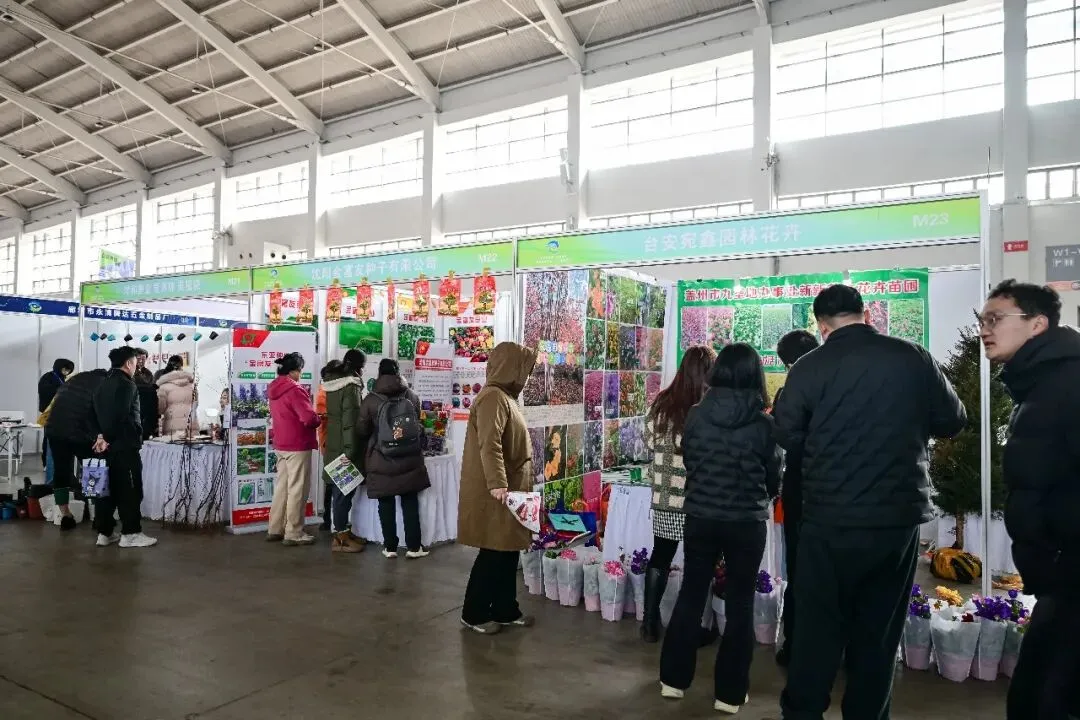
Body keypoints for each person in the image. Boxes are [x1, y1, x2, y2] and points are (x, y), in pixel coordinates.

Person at [773, 284, 966, 720]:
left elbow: (786, 434)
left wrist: (828, 444)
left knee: (817, 629)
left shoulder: (809, 367)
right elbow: (952, 419)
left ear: (822, 326)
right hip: (895, 520)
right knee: (879, 632)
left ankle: (802, 711)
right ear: (866, 313)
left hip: (828, 517)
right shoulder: (912, 357)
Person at [976, 280, 1080, 719]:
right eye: (982, 320)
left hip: (1071, 571)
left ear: (1037, 324)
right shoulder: (1041, 382)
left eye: (995, 319)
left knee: (1047, 698)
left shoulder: (1068, 383)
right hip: (1061, 575)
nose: (984, 329)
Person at [659, 343, 780, 715]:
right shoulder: (764, 424)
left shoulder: (696, 415)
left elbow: (691, 462)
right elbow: (773, 477)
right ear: (755, 375)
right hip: (746, 523)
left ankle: (673, 681)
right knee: (740, 604)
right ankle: (729, 694)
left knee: (691, 593)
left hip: (701, 517)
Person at [458, 342, 537, 634]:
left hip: (510, 490)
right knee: (493, 552)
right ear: (511, 367)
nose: (526, 375)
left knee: (507, 550)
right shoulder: (493, 397)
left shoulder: (504, 397)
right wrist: (497, 483)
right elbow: (489, 444)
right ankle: (474, 613)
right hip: (499, 492)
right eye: (523, 368)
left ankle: (505, 609)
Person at [640, 345, 716, 643]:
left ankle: (649, 624)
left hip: (664, 496)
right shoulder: (708, 406)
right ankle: (689, 628)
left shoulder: (662, 402)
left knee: (660, 555)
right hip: (697, 498)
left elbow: (648, 440)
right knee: (698, 563)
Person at [772, 329, 820, 669]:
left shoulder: (792, 391)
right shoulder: (839, 386)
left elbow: (782, 436)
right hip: (838, 490)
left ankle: (795, 645)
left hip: (801, 488)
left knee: (800, 570)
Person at [357, 358, 430, 559]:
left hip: (381, 457)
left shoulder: (370, 399)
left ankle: (390, 547)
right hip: (409, 456)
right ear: (398, 373)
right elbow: (416, 424)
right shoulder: (411, 396)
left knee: (385, 502)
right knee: (410, 501)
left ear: (379, 373)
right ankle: (414, 547)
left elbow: (361, 430)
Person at [92, 346, 157, 548]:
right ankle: (131, 533)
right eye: (136, 362)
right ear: (129, 363)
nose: (137, 365)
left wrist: (99, 437)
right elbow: (120, 415)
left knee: (103, 490)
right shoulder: (127, 385)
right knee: (130, 490)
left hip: (102, 447)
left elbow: (92, 413)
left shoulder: (102, 383)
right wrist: (107, 437)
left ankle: (104, 532)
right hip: (123, 445)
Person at [43, 369, 108, 530]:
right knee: (93, 469)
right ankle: (97, 516)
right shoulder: (104, 384)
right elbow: (100, 412)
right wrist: (101, 434)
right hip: (80, 433)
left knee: (61, 471)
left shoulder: (74, 381)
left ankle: (65, 515)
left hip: (54, 430)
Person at [267, 352, 321, 546]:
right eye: (300, 370)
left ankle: (275, 528)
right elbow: (308, 418)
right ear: (293, 371)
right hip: (298, 444)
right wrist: (318, 417)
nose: (301, 374)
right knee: (297, 489)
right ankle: (294, 532)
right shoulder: (295, 389)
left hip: (281, 444)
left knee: (282, 487)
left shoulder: (273, 388)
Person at [321, 350, 367, 554]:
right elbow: (350, 422)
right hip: (345, 447)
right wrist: (349, 452)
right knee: (343, 494)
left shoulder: (333, 383)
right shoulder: (350, 386)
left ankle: (343, 532)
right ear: (359, 367)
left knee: (339, 493)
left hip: (334, 443)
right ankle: (340, 538)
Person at [38, 358, 74, 464]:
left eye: (68, 370)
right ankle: (46, 462)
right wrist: (61, 390)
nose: (66, 372)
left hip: (62, 413)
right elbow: (44, 392)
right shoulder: (48, 377)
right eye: (65, 369)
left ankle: (58, 461)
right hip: (50, 412)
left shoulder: (63, 378)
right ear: (59, 367)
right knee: (49, 438)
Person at [157, 365, 197, 436]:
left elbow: (160, 409)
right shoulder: (192, 386)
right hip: (191, 425)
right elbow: (195, 404)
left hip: (172, 427)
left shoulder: (163, 387)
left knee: (173, 443)